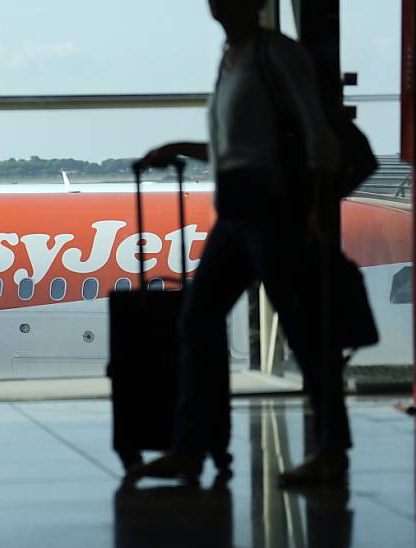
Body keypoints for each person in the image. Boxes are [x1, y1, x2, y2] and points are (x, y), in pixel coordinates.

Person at [128, 0, 352, 485]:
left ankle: (330, 448)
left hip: (274, 208)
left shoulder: (277, 55)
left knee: (301, 330)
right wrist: (178, 149)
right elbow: (238, 144)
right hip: (237, 210)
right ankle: (191, 447)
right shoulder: (232, 59)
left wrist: (317, 207)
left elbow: (317, 134)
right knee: (200, 319)